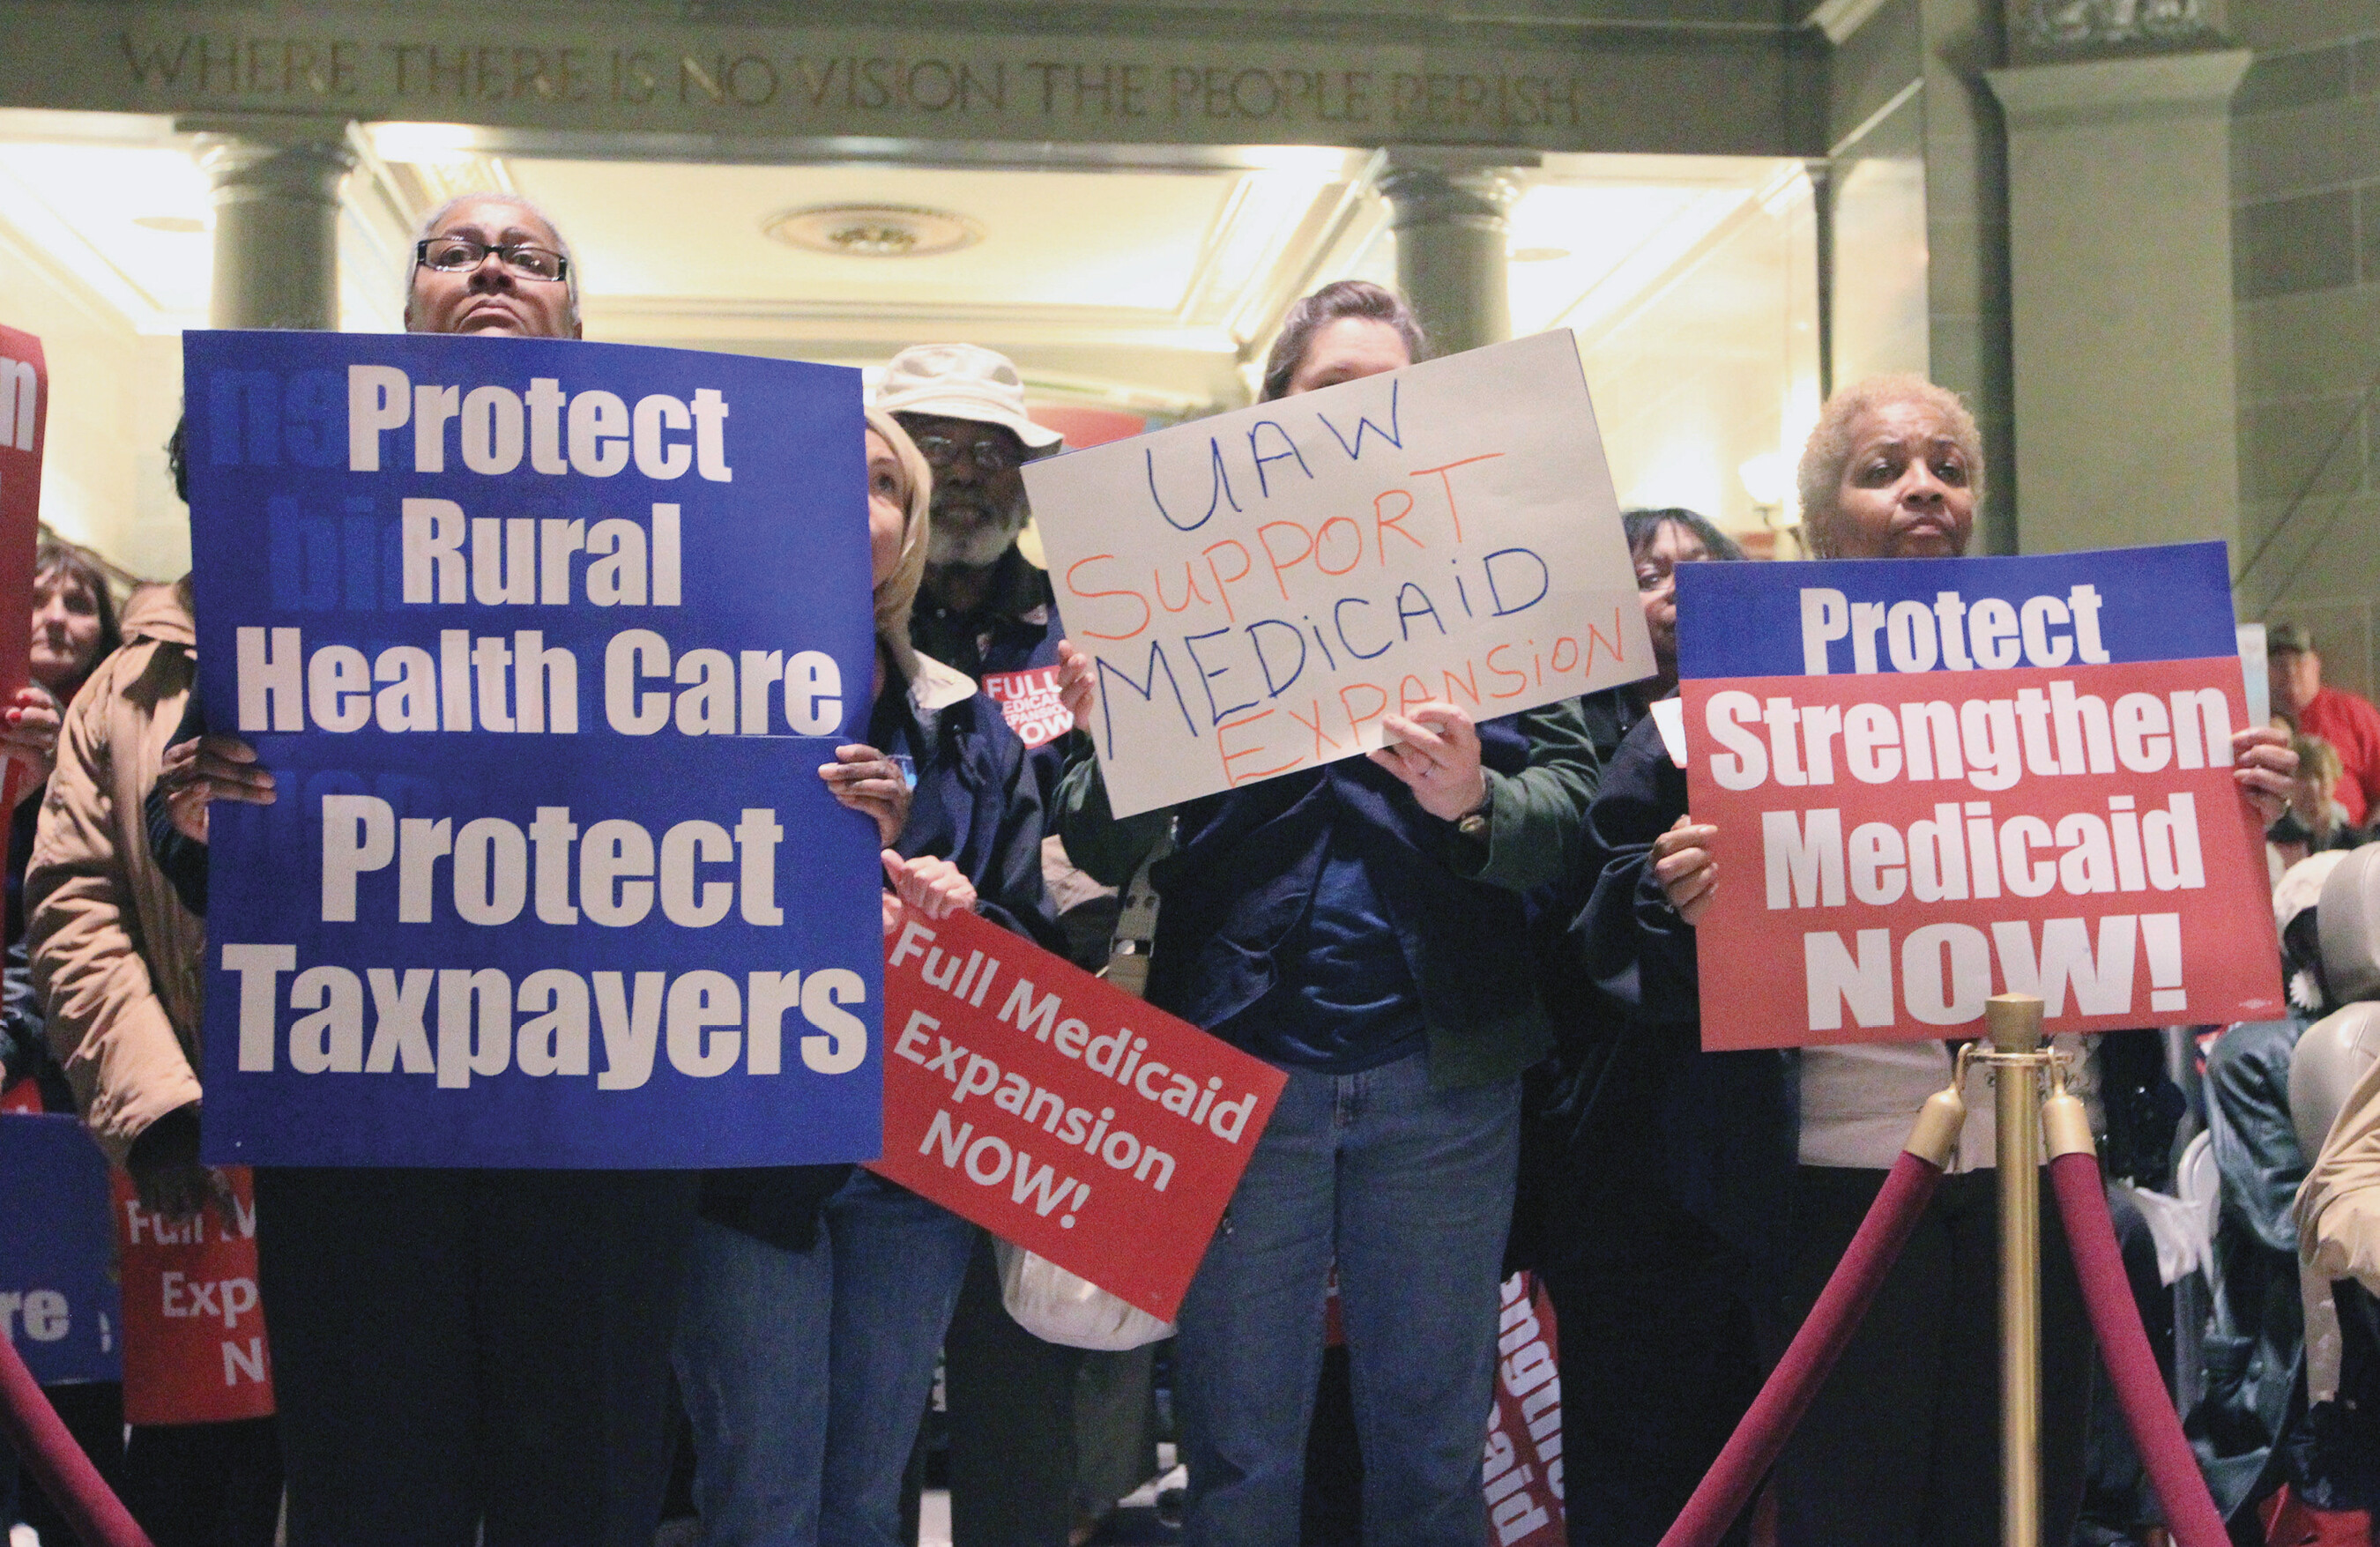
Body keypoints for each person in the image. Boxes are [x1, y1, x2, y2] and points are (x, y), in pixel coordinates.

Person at [1580, 373, 2295, 1547]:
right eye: (1883, 467)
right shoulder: (1705, 715)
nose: (1923, 484)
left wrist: (2230, 812)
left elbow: (2158, 894)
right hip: (1834, 1178)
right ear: (1819, 522)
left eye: (1948, 466)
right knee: (1852, 1506)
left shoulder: (2092, 690)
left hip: (2041, 1164)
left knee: (2021, 1499)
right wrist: (1672, 895)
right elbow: (1607, 938)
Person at [111, 192, 696, 1547]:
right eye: (452, 250)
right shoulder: (307, 513)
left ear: (576, 312)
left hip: (595, 1117)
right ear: (407, 308)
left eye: (528, 254)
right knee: (375, 1493)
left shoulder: (678, 519)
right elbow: (222, 804)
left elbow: (741, 753)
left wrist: (842, 798)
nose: (490, 265)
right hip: (364, 1111)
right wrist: (204, 825)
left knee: (581, 1495)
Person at [1051, 279, 1600, 1547]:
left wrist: (1476, 799)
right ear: (1268, 416)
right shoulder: (1174, 577)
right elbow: (1094, 829)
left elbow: (1573, 807)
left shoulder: (1507, 570)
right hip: (1238, 1066)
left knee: (1432, 1445)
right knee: (1240, 1451)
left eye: (1389, 395)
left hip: (1444, 1070)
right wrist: (1119, 739)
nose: (1359, 419)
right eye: (1328, 394)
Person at [672, 407, 1061, 1547]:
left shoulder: (962, 719)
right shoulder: (683, 685)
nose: (858, 502)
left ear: (910, 526)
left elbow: (1030, 944)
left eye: (887, 483)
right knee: (763, 1496)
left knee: (864, 1497)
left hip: (917, 1152)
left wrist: (959, 914)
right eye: (824, 474)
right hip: (749, 1145)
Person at [24, 458, 285, 1547]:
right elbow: (73, 907)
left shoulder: (406, 645)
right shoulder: (121, 692)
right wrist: (164, 1114)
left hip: (375, 1164)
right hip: (198, 1159)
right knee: (194, 1490)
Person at [1526, 505, 1774, 1547]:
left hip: (1756, 1140)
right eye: (1649, 573)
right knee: (1636, 1455)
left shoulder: (1785, 716)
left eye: (1701, 571)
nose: (1678, 592)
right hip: (1618, 1149)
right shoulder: (1560, 738)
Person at [2269, 621, 2380, 829]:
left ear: (2316, 665)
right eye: (2278, 664)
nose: (2290, 672)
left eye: (2299, 661)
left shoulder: (2353, 712)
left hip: (2350, 845)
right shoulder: (2253, 722)